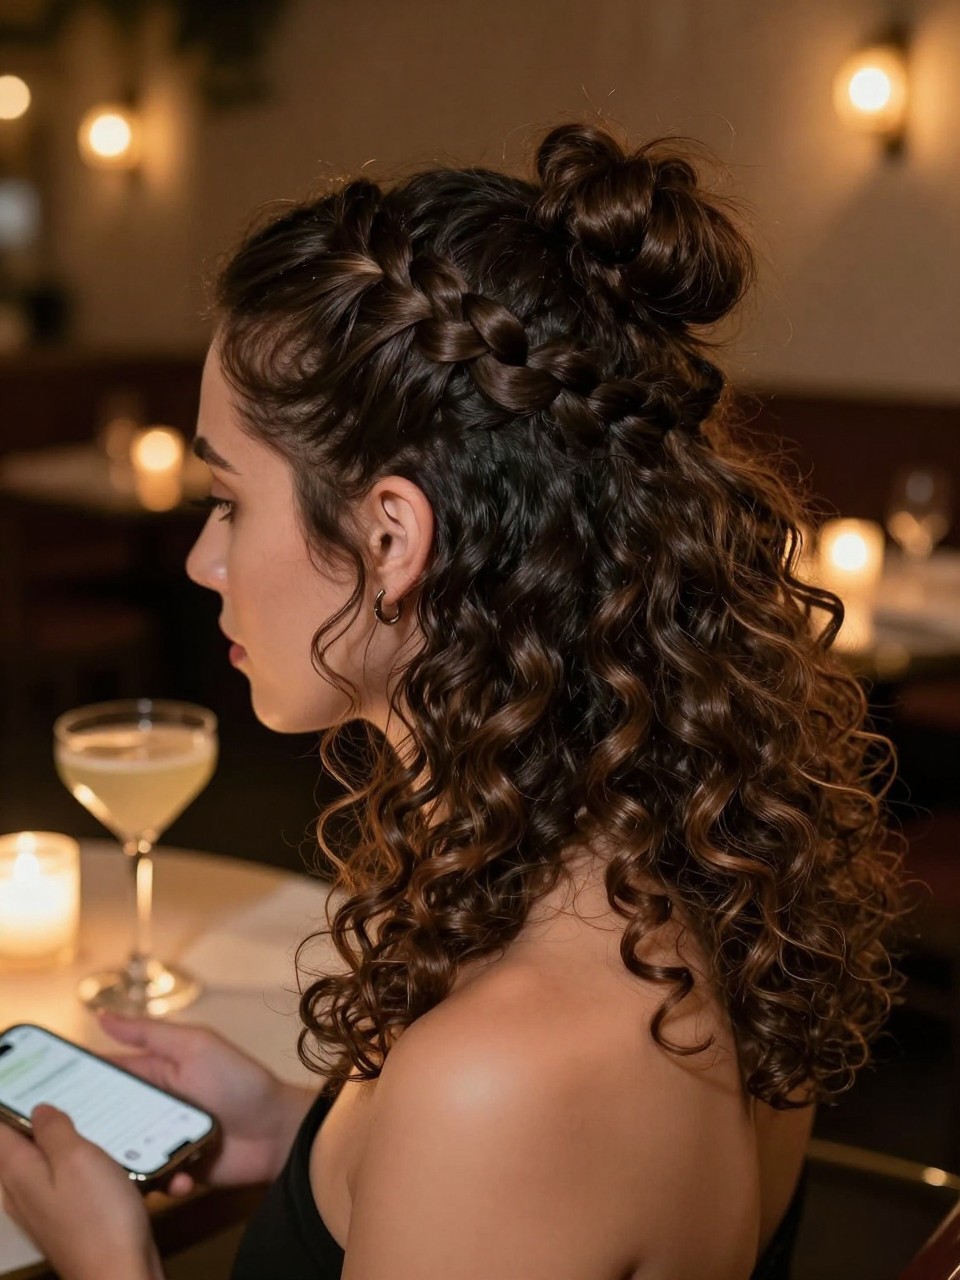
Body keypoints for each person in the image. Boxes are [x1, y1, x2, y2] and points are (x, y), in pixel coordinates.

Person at [0, 120, 902, 1280]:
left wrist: (109, 1263)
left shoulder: (498, 1078)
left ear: (389, 536)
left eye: (228, 501)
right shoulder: (702, 866)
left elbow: (518, 1131)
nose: (201, 561)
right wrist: (299, 1130)